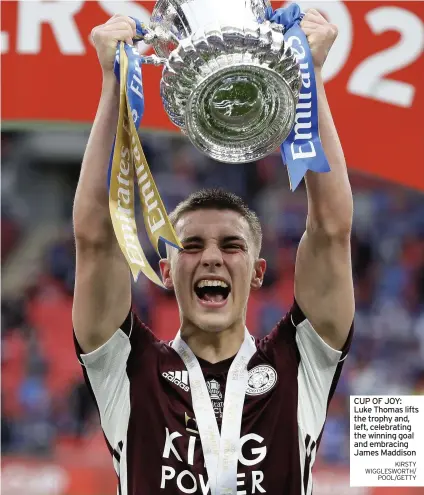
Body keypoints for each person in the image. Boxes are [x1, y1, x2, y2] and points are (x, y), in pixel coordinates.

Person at [72, 9, 354, 495]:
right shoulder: (129, 371)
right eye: (191, 245)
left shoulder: (301, 364)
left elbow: (331, 230)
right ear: (164, 270)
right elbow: (96, 240)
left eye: (231, 245)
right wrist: (110, 87)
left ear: (259, 271)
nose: (211, 258)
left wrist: (312, 79)